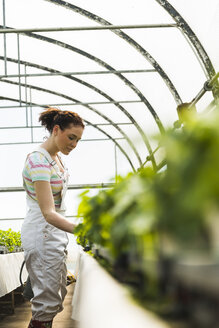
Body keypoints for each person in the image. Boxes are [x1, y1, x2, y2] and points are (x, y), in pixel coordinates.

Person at [21, 107, 85, 328]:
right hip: (42, 232)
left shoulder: (56, 159)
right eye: (71, 137)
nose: (74, 145)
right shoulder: (38, 160)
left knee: (53, 296)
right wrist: (84, 230)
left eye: (78, 140)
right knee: (46, 302)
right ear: (56, 130)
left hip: (53, 234)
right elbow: (48, 213)